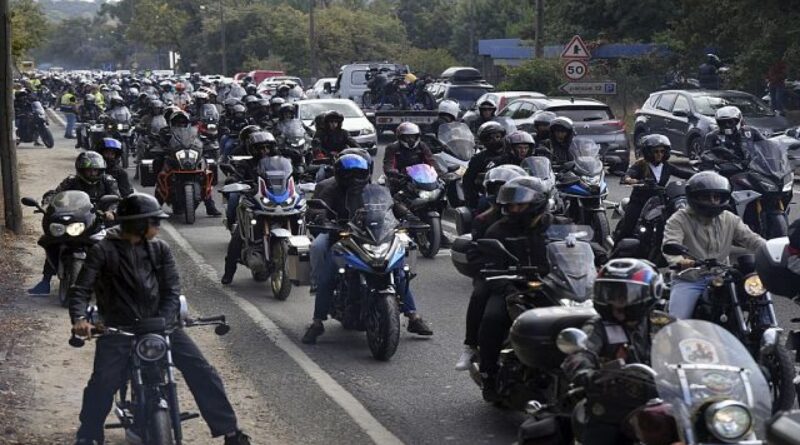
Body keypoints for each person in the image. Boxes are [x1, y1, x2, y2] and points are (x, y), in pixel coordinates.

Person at [68, 193, 250, 445]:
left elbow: (172, 290)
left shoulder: (159, 249)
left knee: (202, 371)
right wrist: (79, 318)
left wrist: (163, 322)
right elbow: (81, 290)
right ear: (139, 225)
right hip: (119, 328)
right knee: (103, 381)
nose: (158, 227)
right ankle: (88, 434)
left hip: (161, 326)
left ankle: (231, 432)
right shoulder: (102, 250)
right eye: (154, 222)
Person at [301, 154, 433, 344]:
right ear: (340, 175)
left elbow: (393, 206)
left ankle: (413, 317)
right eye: (349, 174)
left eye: (359, 174)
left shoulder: (375, 190)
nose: (355, 178)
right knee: (327, 274)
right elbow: (316, 209)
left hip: (373, 237)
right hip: (340, 236)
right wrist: (322, 219)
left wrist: (410, 217)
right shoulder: (329, 188)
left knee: (399, 271)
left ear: (367, 173)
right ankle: (317, 322)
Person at [477, 176, 571, 400]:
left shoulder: (559, 225)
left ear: (537, 202)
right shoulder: (498, 230)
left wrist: (597, 256)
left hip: (554, 285)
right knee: (493, 318)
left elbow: (578, 246)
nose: (514, 209)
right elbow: (491, 265)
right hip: (515, 288)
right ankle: (489, 373)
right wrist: (508, 288)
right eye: (510, 205)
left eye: (520, 204)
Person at [561, 259, 663, 445]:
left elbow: (691, 347)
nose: (616, 303)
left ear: (650, 293)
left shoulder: (661, 323)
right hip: (615, 401)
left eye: (625, 295)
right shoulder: (599, 326)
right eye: (609, 294)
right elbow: (580, 352)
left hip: (663, 399)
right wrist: (586, 374)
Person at [662, 171, 765, 319]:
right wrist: (680, 261)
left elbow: (752, 239)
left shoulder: (729, 219)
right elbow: (671, 243)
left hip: (723, 278)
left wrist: (775, 252)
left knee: (758, 298)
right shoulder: (679, 219)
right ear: (694, 197)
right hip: (691, 279)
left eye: (716, 197)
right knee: (678, 321)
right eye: (706, 197)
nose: (712, 201)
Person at [454, 164, 527, 371]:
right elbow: (477, 252)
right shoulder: (486, 221)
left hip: (535, 276)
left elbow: (565, 239)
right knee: (484, 303)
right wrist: (492, 270)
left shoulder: (540, 220)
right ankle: (472, 348)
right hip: (497, 275)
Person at [28, 152, 120, 295]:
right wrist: (48, 203)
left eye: (95, 170)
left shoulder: (108, 181)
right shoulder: (71, 181)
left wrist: (111, 211)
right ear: (80, 169)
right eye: (88, 170)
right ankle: (45, 282)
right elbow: (56, 193)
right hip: (76, 219)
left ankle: (114, 283)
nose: (92, 173)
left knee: (113, 245)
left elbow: (116, 199)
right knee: (53, 241)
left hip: (100, 220)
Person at [221, 132, 279, 282]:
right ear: (252, 149)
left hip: (276, 202)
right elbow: (237, 176)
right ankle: (229, 272)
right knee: (239, 235)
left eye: (267, 147)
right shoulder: (246, 164)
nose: (264, 151)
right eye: (260, 148)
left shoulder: (279, 163)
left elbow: (290, 177)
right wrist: (234, 179)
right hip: (254, 203)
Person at [613, 134, 693, 242]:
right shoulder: (640, 165)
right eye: (656, 151)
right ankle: (614, 251)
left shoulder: (667, 167)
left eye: (662, 151)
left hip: (659, 203)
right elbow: (627, 176)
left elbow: (685, 174)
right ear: (648, 152)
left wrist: (703, 174)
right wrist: (637, 181)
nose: (659, 154)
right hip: (639, 202)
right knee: (628, 227)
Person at [462, 121, 511, 210]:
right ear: (484, 141)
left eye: (497, 136)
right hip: (491, 195)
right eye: (490, 138)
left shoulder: (511, 154)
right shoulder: (479, 158)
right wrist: (472, 199)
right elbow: (468, 181)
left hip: (513, 193)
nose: (495, 140)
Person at [383, 122, 441, 193]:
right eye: (407, 137)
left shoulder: (422, 146)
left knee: (439, 190)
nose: (411, 139)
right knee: (393, 192)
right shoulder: (393, 148)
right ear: (401, 137)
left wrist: (439, 173)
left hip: (419, 177)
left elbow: (431, 160)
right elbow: (388, 164)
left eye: (413, 137)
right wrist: (393, 172)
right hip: (400, 177)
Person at [701, 105, 764, 170]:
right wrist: (717, 160)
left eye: (730, 122)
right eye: (723, 122)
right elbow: (706, 153)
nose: (727, 125)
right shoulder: (712, 136)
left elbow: (766, 146)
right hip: (727, 169)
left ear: (739, 120)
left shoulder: (751, 132)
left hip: (752, 167)